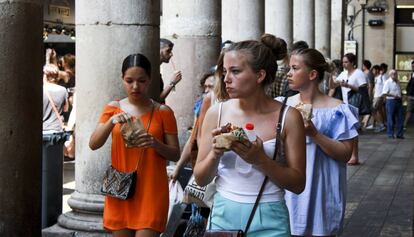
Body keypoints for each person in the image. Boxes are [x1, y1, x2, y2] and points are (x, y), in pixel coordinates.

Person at [194, 38, 306, 236]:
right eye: (225, 71)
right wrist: (215, 153)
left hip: (270, 214)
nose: (226, 78)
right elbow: (201, 179)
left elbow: (298, 184)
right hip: (223, 214)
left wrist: (260, 160)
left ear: (260, 75)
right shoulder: (216, 113)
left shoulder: (288, 117)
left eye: (235, 71)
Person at [89, 53, 180, 237]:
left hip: (151, 191)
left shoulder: (163, 112)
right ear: (122, 79)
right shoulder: (113, 108)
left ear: (150, 80)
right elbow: (94, 144)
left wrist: (156, 144)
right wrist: (111, 122)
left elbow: (175, 154)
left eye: (142, 80)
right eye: (129, 80)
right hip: (120, 189)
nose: (135, 86)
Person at [281, 48, 359, 237]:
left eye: (294, 68)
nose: (288, 74)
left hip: (323, 190)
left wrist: (314, 133)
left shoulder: (338, 109)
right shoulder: (282, 105)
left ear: (312, 74)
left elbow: (345, 154)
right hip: (288, 190)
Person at [335, 53, 366, 165]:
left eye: (346, 62)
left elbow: (363, 89)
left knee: (353, 131)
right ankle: (348, 155)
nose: (344, 64)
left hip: (354, 104)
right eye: (343, 62)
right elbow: (334, 84)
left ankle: (354, 156)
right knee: (346, 130)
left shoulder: (358, 73)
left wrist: (349, 86)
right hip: (344, 104)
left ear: (352, 62)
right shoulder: (343, 73)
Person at [43, 63, 69, 132]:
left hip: (42, 129)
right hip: (57, 130)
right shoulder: (63, 90)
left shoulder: (40, 90)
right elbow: (66, 109)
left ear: (45, 75)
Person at [382, 69, 404, 139]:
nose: (394, 75)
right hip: (391, 101)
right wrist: (393, 95)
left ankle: (399, 134)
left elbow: (399, 90)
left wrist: (402, 96)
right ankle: (390, 134)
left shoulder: (398, 81)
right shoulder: (387, 82)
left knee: (400, 118)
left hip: (399, 101)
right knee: (390, 118)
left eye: (395, 74)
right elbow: (384, 93)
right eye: (393, 74)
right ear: (390, 75)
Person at [159, 38, 182, 104]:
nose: (171, 54)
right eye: (168, 51)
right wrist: (172, 83)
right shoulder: (152, 70)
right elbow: (156, 100)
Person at [404, 60, 414, 129]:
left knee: (409, 111)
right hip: (411, 96)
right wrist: (407, 94)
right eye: (412, 66)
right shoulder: (412, 74)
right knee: (409, 111)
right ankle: (404, 125)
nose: (412, 67)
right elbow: (409, 85)